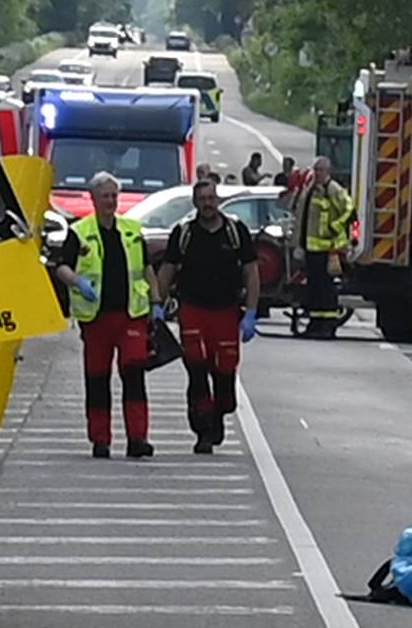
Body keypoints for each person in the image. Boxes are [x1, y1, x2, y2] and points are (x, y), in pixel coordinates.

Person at [50, 172, 158, 458]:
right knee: (97, 378)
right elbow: (61, 267)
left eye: (114, 196)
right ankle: (101, 439)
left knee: (134, 374)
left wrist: (156, 300)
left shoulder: (132, 230)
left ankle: (138, 438)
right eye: (105, 196)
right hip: (96, 318)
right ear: (94, 199)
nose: (111, 201)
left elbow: (146, 268)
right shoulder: (80, 232)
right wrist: (77, 282)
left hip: (131, 315)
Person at [153, 178, 261, 453]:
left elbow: (251, 272)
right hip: (193, 309)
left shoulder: (236, 232)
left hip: (226, 311)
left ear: (218, 200)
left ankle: (221, 411)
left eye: (211, 199)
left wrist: (250, 311)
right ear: (195, 203)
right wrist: (157, 303)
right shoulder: (184, 233)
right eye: (202, 200)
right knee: (197, 368)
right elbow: (168, 269)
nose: (208, 204)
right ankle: (203, 428)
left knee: (225, 372)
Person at [298, 156, 355, 339]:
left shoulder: (333, 190)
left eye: (320, 170)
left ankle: (328, 325)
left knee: (326, 289)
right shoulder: (312, 189)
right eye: (315, 170)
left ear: (328, 172)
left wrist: (334, 227)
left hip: (328, 249)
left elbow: (349, 211)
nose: (317, 173)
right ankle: (315, 324)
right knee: (314, 288)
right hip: (311, 248)